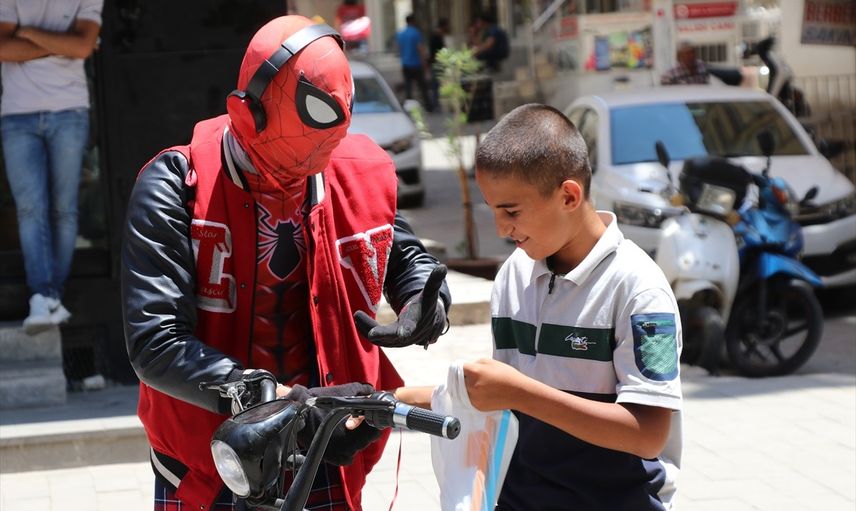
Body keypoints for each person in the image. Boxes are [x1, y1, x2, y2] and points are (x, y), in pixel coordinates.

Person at [121, 16, 451, 511]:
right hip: (210, 457)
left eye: (325, 153)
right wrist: (278, 401)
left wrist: (426, 301)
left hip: (328, 449)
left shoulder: (354, 171)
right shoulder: (177, 184)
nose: (305, 173)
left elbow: (404, 256)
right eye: (289, 160)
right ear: (245, 113)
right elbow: (155, 341)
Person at [399, 104, 683, 509]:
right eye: (492, 210)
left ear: (569, 196)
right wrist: (391, 399)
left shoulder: (638, 289)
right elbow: (504, 401)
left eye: (511, 211)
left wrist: (521, 393)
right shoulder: (513, 274)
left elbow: (648, 434)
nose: (501, 228)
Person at [0, 0, 103, 334]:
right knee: (30, 209)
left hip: (69, 111)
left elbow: (82, 46)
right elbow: (3, 49)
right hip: (18, 114)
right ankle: (45, 296)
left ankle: (48, 297)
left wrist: (27, 32)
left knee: (64, 210)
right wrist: (62, 44)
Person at [396, 14, 433, 112]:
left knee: (408, 88)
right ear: (413, 21)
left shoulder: (401, 34)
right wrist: (425, 64)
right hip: (416, 65)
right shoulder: (416, 33)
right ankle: (429, 107)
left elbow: (400, 49)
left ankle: (408, 108)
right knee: (423, 87)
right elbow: (420, 49)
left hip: (406, 64)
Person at [427, 18, 449, 110]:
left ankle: (436, 104)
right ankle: (436, 105)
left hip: (435, 62)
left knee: (436, 84)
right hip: (437, 62)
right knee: (436, 84)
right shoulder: (437, 36)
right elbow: (441, 50)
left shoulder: (434, 35)